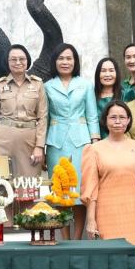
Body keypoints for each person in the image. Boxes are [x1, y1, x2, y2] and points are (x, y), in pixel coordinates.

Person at [82, 101, 135, 269]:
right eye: (113, 117)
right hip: (106, 213)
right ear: (105, 121)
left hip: (134, 213)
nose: (118, 121)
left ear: (129, 120)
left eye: (122, 117)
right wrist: (91, 220)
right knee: (110, 265)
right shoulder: (94, 149)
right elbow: (91, 187)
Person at [0, 45, 47, 178]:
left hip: (29, 142)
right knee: (3, 183)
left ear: (27, 61)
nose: (18, 62)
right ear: (7, 62)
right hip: (4, 141)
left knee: (29, 183)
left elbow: (42, 118)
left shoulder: (37, 84)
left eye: (22, 59)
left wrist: (39, 146)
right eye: (13, 59)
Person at [44, 44, 98, 181]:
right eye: (61, 58)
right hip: (56, 141)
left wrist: (95, 141)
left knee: (81, 181)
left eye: (69, 58)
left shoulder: (86, 85)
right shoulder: (47, 86)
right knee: (58, 181)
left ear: (75, 61)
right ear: (55, 61)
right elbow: (45, 118)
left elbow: (92, 116)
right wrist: (41, 146)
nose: (65, 62)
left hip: (81, 140)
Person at [92, 57, 121, 123]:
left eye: (111, 70)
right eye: (103, 71)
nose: (107, 75)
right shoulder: (91, 95)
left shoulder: (125, 94)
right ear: (98, 74)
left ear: (117, 73)